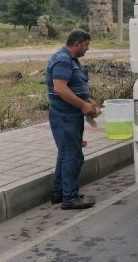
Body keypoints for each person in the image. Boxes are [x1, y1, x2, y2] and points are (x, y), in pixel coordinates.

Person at [46, 29, 100, 210]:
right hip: (65, 116)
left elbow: (75, 87)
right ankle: (70, 197)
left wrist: (89, 101)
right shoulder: (62, 60)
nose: (88, 48)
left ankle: (60, 193)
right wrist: (83, 106)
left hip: (70, 115)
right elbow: (60, 88)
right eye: (86, 44)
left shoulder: (71, 60)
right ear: (77, 43)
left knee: (65, 154)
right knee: (73, 156)